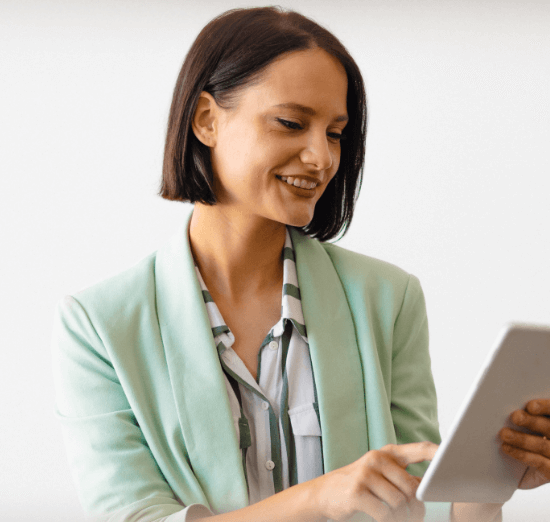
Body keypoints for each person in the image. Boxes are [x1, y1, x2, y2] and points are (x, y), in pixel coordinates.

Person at [51, 6, 550, 522]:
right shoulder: (99, 326)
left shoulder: (388, 298)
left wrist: (489, 478)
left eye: (335, 133)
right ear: (206, 120)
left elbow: (421, 503)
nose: (322, 158)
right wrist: (319, 499)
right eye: (291, 123)